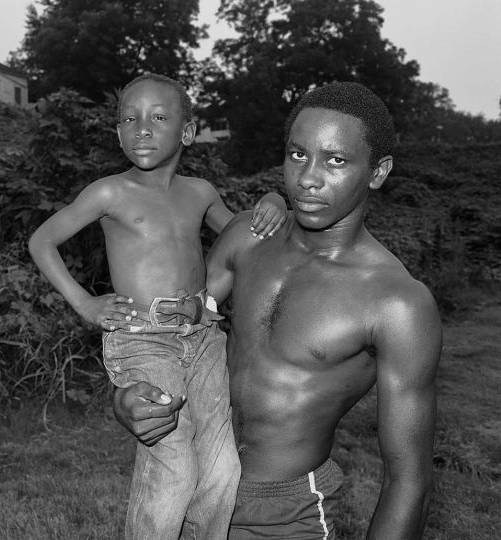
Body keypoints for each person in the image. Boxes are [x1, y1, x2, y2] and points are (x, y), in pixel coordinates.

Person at [114, 82, 443, 539]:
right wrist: (127, 398)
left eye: (336, 160)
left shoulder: (397, 302)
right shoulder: (247, 239)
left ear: (378, 171)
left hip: (285, 515)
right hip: (197, 485)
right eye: (297, 155)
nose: (308, 177)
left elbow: (409, 481)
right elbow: (171, 332)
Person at [28, 72, 288, 540]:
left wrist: (272, 201)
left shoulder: (200, 192)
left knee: (223, 468)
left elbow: (245, 241)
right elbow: (43, 240)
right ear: (118, 132)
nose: (142, 128)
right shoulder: (109, 191)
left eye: (159, 117)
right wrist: (84, 303)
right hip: (144, 339)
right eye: (129, 118)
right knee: (173, 467)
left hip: (204, 337)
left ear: (186, 132)